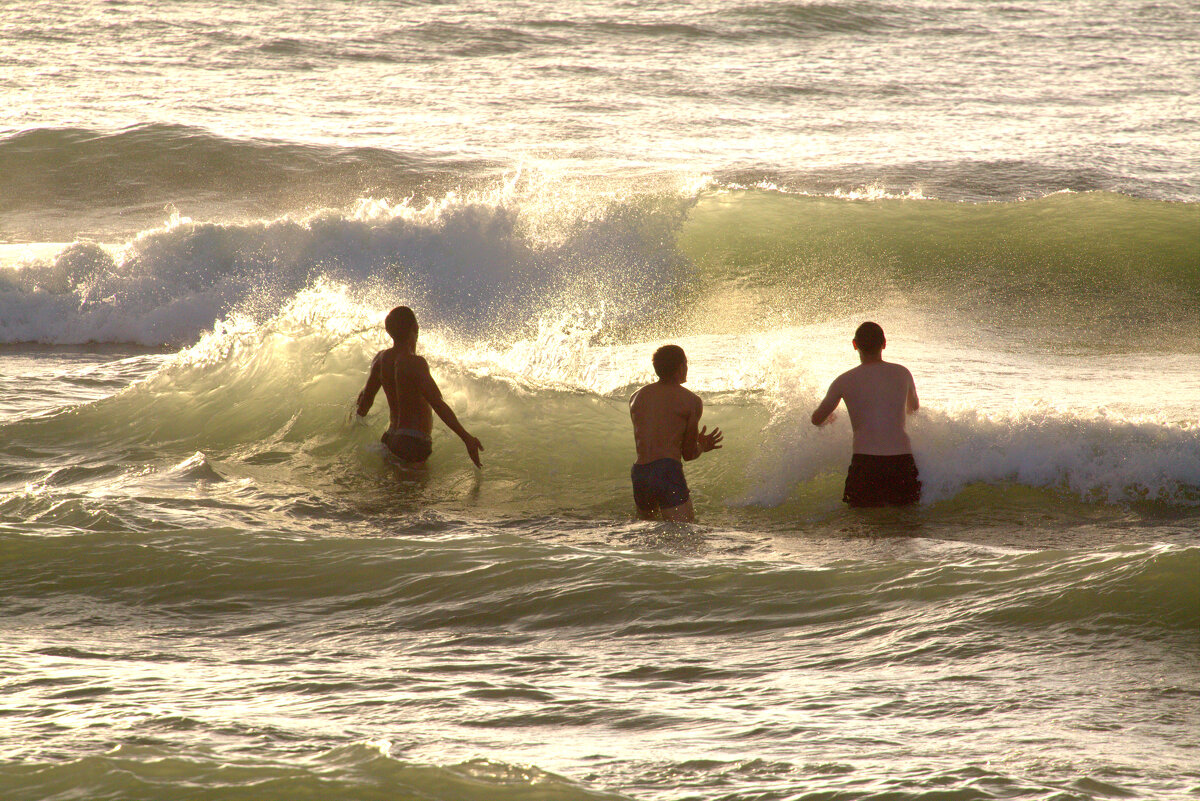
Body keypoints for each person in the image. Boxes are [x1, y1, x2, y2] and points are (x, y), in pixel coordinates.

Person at [355, 306, 483, 469]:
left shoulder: (381, 360)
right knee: (412, 493)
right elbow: (437, 403)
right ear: (415, 328)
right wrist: (467, 438)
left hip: (389, 438)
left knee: (392, 492)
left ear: (389, 331)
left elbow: (365, 403)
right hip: (412, 442)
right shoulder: (415, 363)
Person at [810, 322, 921, 507]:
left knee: (861, 526)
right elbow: (914, 410)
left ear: (855, 344)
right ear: (884, 343)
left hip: (866, 463)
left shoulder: (844, 380)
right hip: (901, 461)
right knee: (905, 525)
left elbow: (816, 419)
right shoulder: (903, 373)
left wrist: (829, 420)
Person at [628, 345, 723, 522]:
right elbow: (688, 454)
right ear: (680, 367)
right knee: (684, 535)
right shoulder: (690, 401)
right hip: (666, 471)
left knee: (646, 533)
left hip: (640, 473)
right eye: (686, 363)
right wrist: (702, 445)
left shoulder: (636, 397)